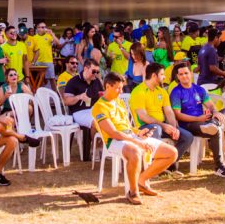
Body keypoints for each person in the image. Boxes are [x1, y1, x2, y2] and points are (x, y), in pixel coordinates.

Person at [94, 72, 178, 204]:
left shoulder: (118, 101)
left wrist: (139, 132)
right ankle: (133, 192)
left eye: (122, 88)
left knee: (172, 153)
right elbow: (114, 133)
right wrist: (138, 142)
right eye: (118, 88)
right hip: (114, 141)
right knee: (135, 151)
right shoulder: (99, 107)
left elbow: (127, 126)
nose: (121, 91)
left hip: (130, 137)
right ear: (107, 86)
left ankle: (141, 181)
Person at [170, 62, 225, 177]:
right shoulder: (176, 92)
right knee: (216, 131)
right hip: (188, 124)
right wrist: (198, 118)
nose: (184, 76)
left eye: (186, 73)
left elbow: (210, 105)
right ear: (177, 77)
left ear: (191, 74)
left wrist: (215, 112)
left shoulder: (199, 89)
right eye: (181, 74)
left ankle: (214, 123)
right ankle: (220, 167)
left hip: (205, 121)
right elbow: (178, 115)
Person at [129, 63, 191, 175]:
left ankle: (168, 165)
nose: (164, 77)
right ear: (154, 75)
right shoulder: (139, 91)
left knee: (187, 136)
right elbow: (143, 116)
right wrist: (164, 126)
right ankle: (155, 168)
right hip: (144, 128)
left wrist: (173, 127)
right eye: (162, 74)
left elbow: (169, 112)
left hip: (161, 126)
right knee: (156, 128)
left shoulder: (161, 91)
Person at [63, 58, 104, 160]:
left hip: (93, 109)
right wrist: (79, 97)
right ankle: (94, 148)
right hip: (78, 112)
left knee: (108, 119)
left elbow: (102, 95)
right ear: (86, 68)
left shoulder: (96, 81)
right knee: (95, 121)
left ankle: (99, 145)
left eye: (97, 72)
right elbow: (66, 101)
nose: (96, 74)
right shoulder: (73, 82)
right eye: (93, 71)